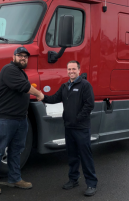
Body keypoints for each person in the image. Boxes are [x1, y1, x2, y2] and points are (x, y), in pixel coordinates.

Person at [0, 47, 44, 195]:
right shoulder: (9, 69)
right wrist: (39, 94)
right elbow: (24, 87)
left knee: (16, 150)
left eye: (25, 56)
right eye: (20, 56)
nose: (23, 58)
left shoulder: (21, 73)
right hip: (5, 118)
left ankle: (15, 179)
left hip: (20, 119)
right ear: (14, 56)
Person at [39, 60, 98, 196]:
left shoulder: (85, 85)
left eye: (73, 69)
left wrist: (78, 118)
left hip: (81, 128)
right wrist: (42, 97)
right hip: (69, 128)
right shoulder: (65, 86)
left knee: (85, 156)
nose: (71, 71)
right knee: (72, 156)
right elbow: (54, 98)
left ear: (78, 70)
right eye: (69, 69)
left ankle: (91, 184)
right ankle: (73, 179)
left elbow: (89, 105)